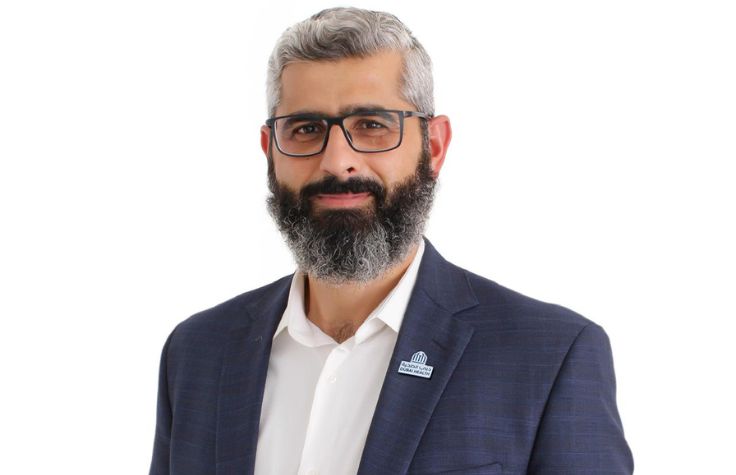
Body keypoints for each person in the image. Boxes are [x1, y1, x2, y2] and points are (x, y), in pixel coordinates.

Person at [149, 7, 633, 474]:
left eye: (372, 126)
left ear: (434, 146)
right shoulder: (197, 353)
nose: (338, 161)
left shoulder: (549, 356)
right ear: (270, 151)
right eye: (306, 129)